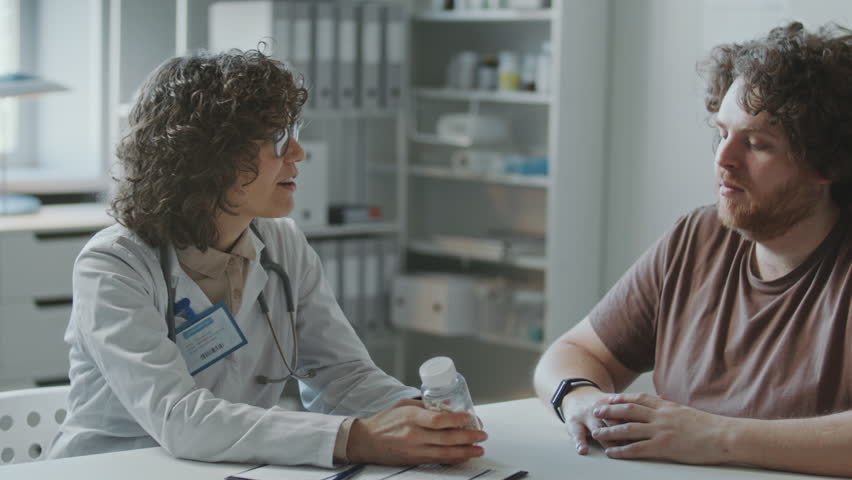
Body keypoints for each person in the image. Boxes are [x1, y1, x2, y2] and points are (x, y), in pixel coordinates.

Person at [47, 49, 487, 467]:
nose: (298, 154)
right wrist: (357, 438)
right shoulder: (113, 266)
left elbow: (343, 376)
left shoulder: (282, 246)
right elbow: (180, 419)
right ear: (207, 156)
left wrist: (422, 417)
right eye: (278, 139)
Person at [534, 21, 852, 477]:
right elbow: (575, 351)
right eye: (722, 132)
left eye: (757, 143)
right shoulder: (696, 238)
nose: (724, 158)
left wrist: (717, 437)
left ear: (828, 163)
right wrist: (583, 400)